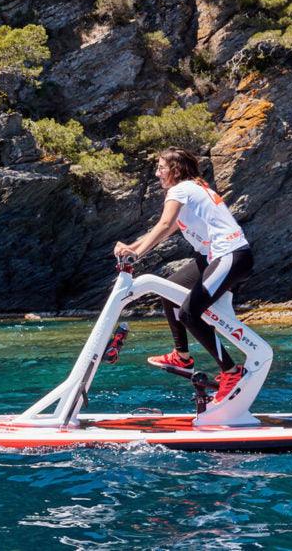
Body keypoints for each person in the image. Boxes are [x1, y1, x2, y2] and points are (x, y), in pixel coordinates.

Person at [113, 147, 254, 403]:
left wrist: (137, 255)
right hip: (215, 257)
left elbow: (164, 225)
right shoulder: (191, 189)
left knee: (189, 313)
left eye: (161, 168)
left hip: (230, 255)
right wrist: (131, 247)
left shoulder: (180, 190)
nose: (157, 174)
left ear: (175, 170)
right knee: (169, 290)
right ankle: (182, 356)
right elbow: (166, 230)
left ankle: (232, 371)